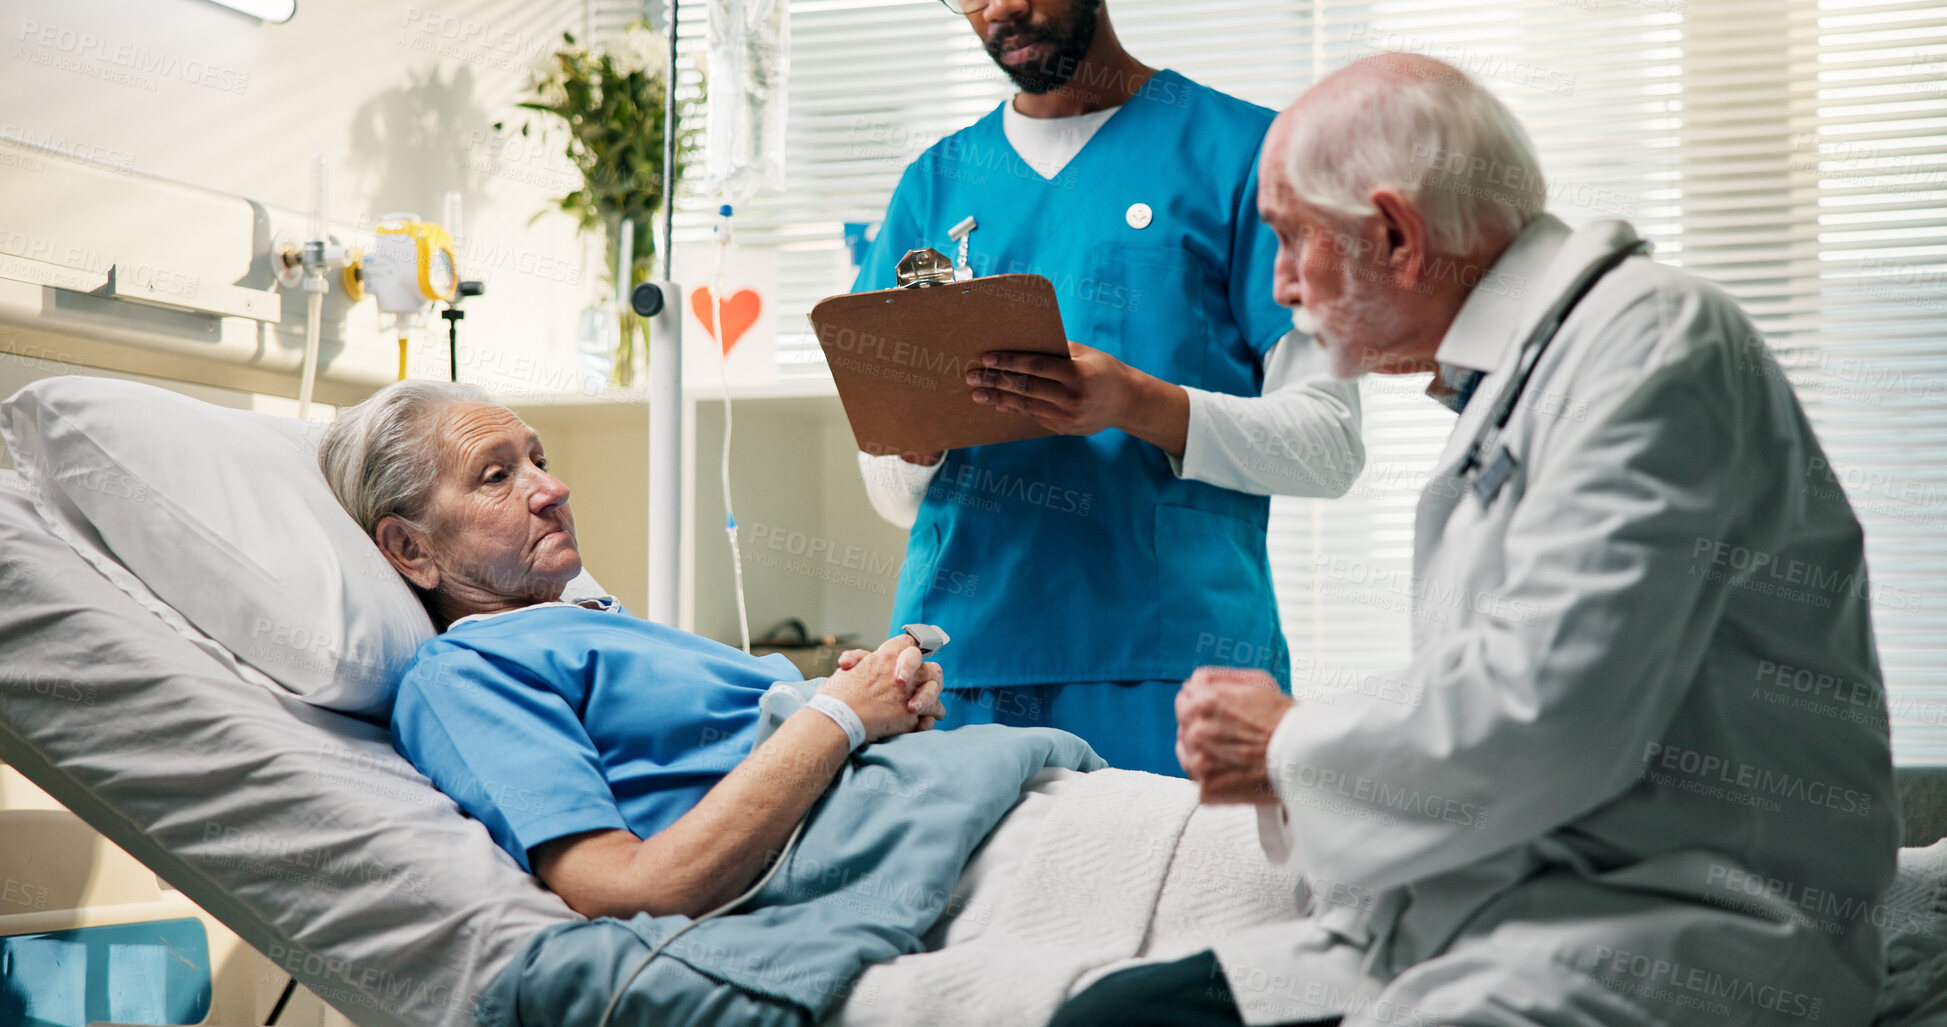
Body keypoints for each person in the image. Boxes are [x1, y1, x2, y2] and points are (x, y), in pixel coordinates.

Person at [1055, 53, 1901, 1027]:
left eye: (1292, 240)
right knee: (1115, 1015)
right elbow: (1505, 677)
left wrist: (1288, 742)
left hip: (1687, 926)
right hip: (1520, 904)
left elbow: (1555, 707)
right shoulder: (1526, 375)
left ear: (1398, 236)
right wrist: (1287, 740)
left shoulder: (1656, 343)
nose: (1281, 285)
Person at [319, 381, 1105, 1025]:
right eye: (497, 476)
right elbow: (628, 888)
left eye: (538, 459)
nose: (551, 489)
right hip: (969, 856)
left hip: (995, 809)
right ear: (409, 549)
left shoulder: (589, 625)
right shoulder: (466, 671)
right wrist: (836, 719)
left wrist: (870, 705)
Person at [853, 0, 1365, 776]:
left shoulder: (1248, 156)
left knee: (1201, 895)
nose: (999, 9)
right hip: (958, 666)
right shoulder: (934, 184)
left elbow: (1328, 446)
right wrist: (917, 441)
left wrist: (1136, 403)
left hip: (1176, 663)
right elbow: (893, 493)